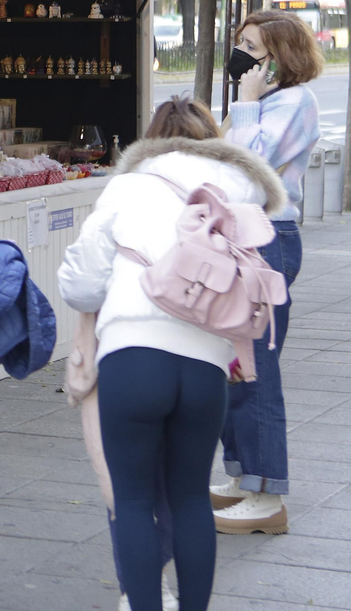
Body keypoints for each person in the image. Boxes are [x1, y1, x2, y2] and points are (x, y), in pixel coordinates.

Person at [59, 97, 287, 611]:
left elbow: (81, 283)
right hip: (206, 364)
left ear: (153, 137)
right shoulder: (239, 189)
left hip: (133, 358)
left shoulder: (129, 184)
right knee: (191, 502)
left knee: (135, 501)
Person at [213, 9, 323, 534]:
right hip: (239, 236)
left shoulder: (295, 102)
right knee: (232, 366)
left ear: (279, 58)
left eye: (251, 47)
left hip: (269, 238)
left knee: (255, 367)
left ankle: (267, 493)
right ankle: (242, 475)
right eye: (239, 43)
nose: (241, 55)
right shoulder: (258, 104)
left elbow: (248, 170)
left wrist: (248, 107)